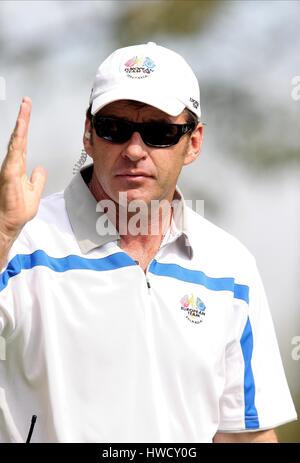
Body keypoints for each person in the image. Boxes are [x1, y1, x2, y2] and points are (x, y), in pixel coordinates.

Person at [0, 42, 297, 443]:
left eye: (159, 132)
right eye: (115, 129)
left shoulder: (231, 268)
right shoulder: (21, 244)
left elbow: (245, 436)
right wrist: (2, 233)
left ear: (193, 142)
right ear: (88, 135)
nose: (135, 150)